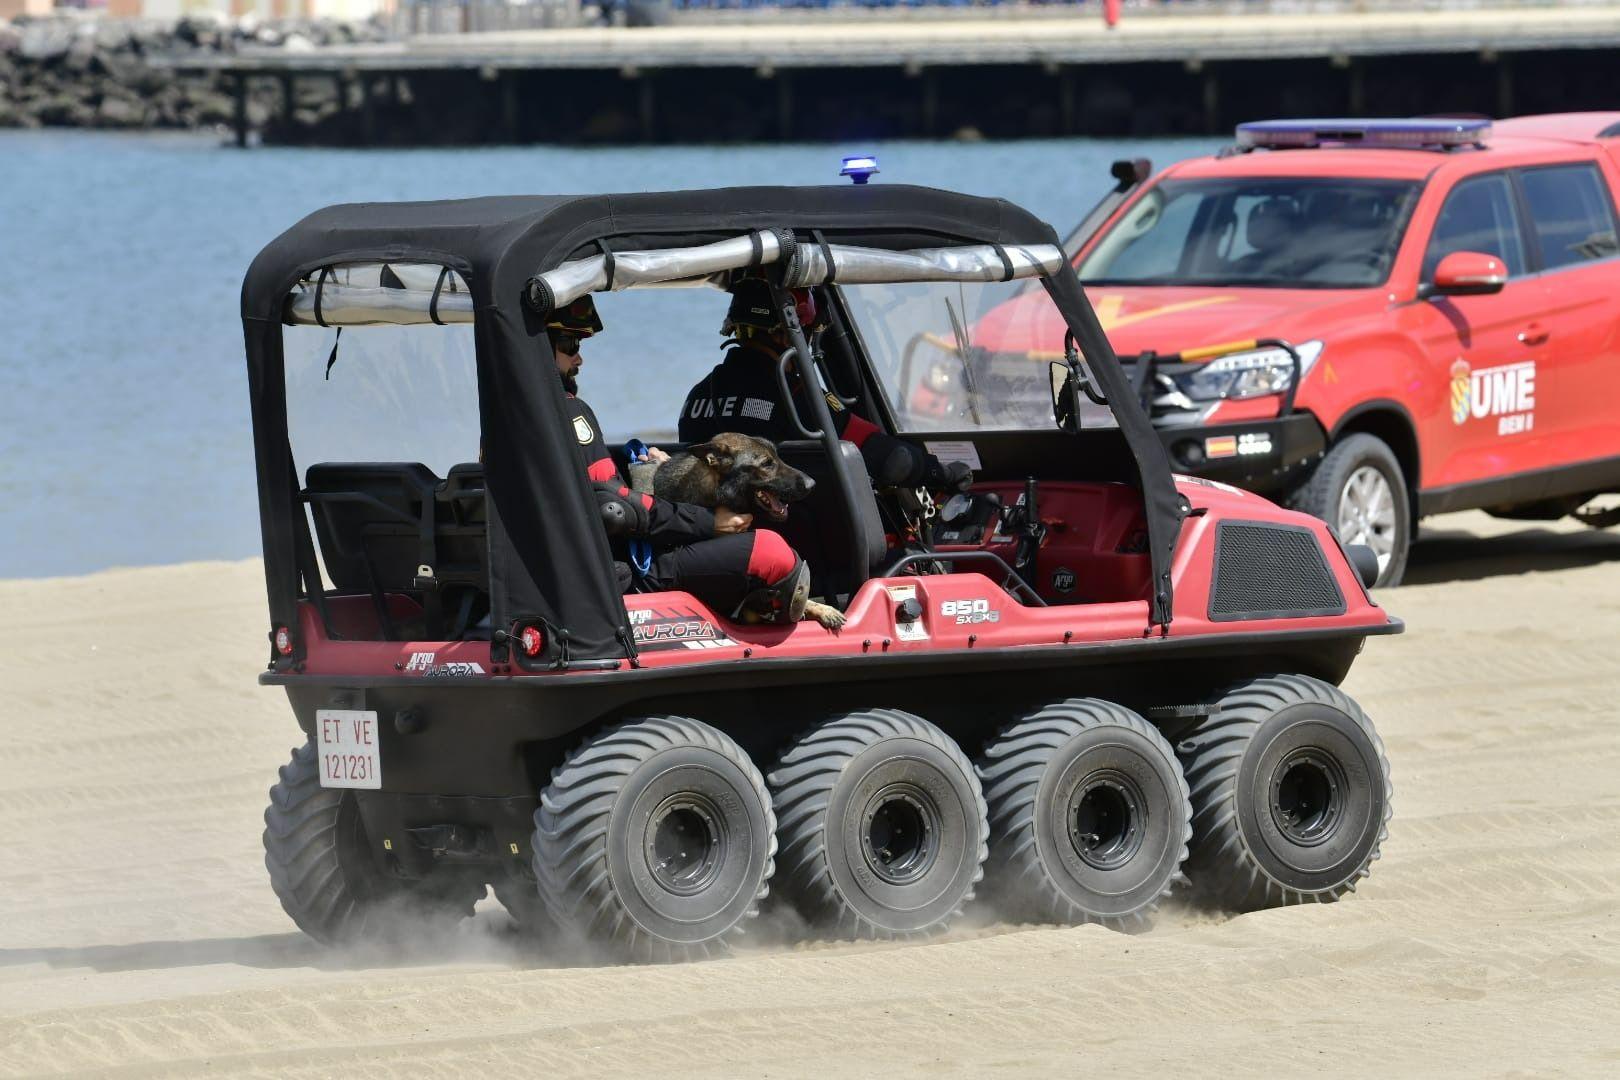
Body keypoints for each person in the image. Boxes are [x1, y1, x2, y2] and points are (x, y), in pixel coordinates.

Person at [547, 297, 815, 624]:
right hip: (626, 575)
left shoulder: (504, 420)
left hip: (570, 569)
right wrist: (708, 522)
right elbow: (611, 509)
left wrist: (645, 471)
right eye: (569, 343)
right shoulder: (569, 410)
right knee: (771, 548)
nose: (579, 356)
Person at [677, 277, 972, 493]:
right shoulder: (795, 396)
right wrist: (940, 472)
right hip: (800, 541)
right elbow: (888, 457)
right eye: (805, 334)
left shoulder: (697, 396)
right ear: (784, 335)